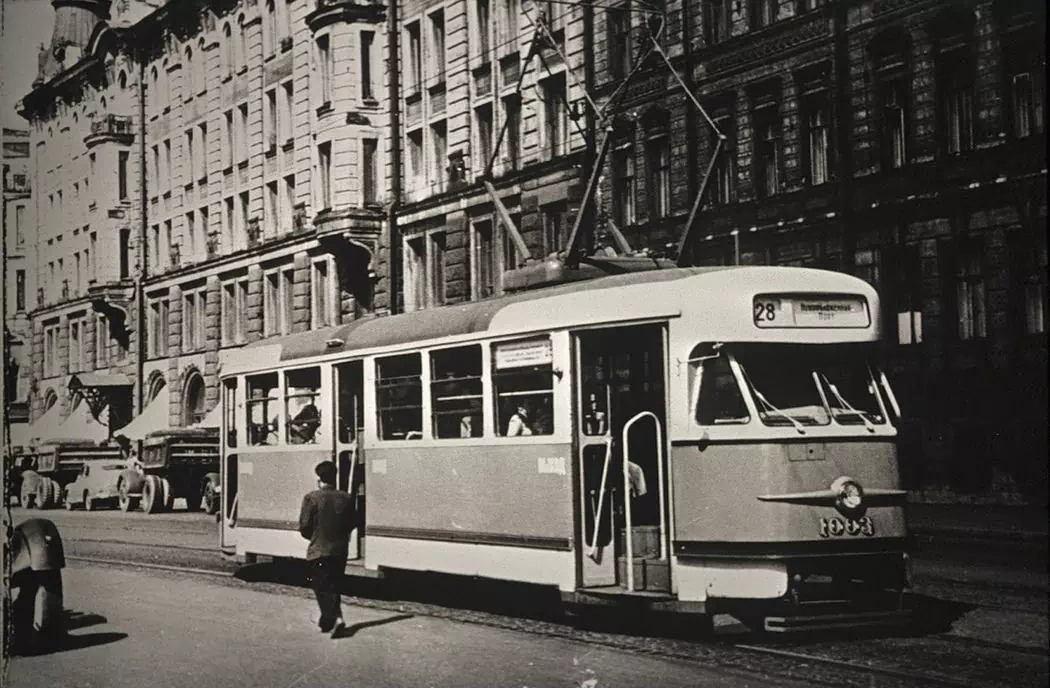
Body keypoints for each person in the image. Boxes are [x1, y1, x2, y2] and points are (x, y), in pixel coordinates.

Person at [298, 461, 356, 638]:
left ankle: (335, 620)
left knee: (322, 587)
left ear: (319, 479)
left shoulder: (311, 498)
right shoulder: (346, 498)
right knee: (333, 585)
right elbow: (352, 523)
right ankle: (328, 621)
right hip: (339, 550)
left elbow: (304, 526)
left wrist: (315, 537)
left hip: (318, 549)